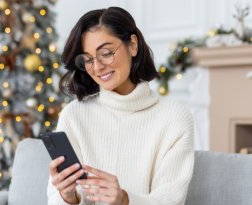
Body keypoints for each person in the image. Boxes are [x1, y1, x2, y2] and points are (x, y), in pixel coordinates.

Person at [48, 6, 194, 205]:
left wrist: (125, 200)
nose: (97, 67)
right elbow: (55, 200)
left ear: (133, 45)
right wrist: (67, 197)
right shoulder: (74, 115)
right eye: (88, 59)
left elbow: (170, 199)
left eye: (106, 53)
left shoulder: (174, 117)